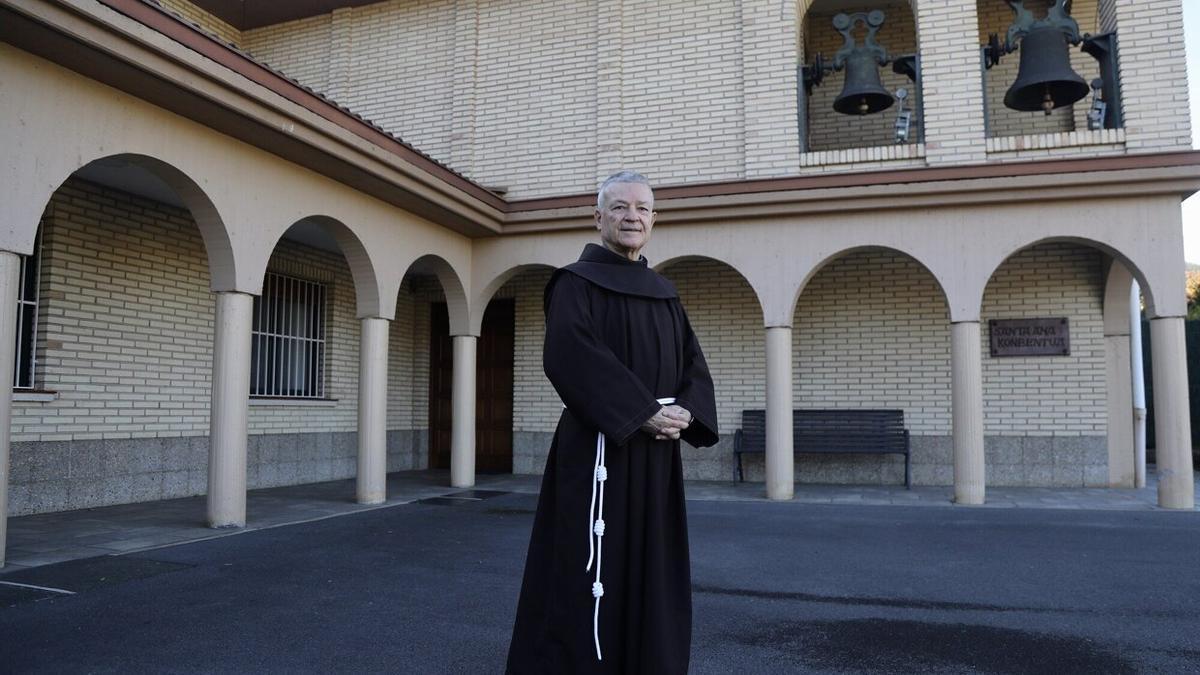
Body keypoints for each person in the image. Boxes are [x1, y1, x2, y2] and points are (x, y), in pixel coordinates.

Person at [506, 171, 719, 674]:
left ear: (654, 219)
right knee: (588, 570)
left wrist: (686, 411)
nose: (632, 217)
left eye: (642, 209)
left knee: (652, 565)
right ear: (597, 216)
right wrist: (642, 413)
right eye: (620, 207)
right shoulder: (574, 284)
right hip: (598, 452)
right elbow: (570, 356)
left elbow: (694, 362)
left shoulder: (665, 292)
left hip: (657, 455)